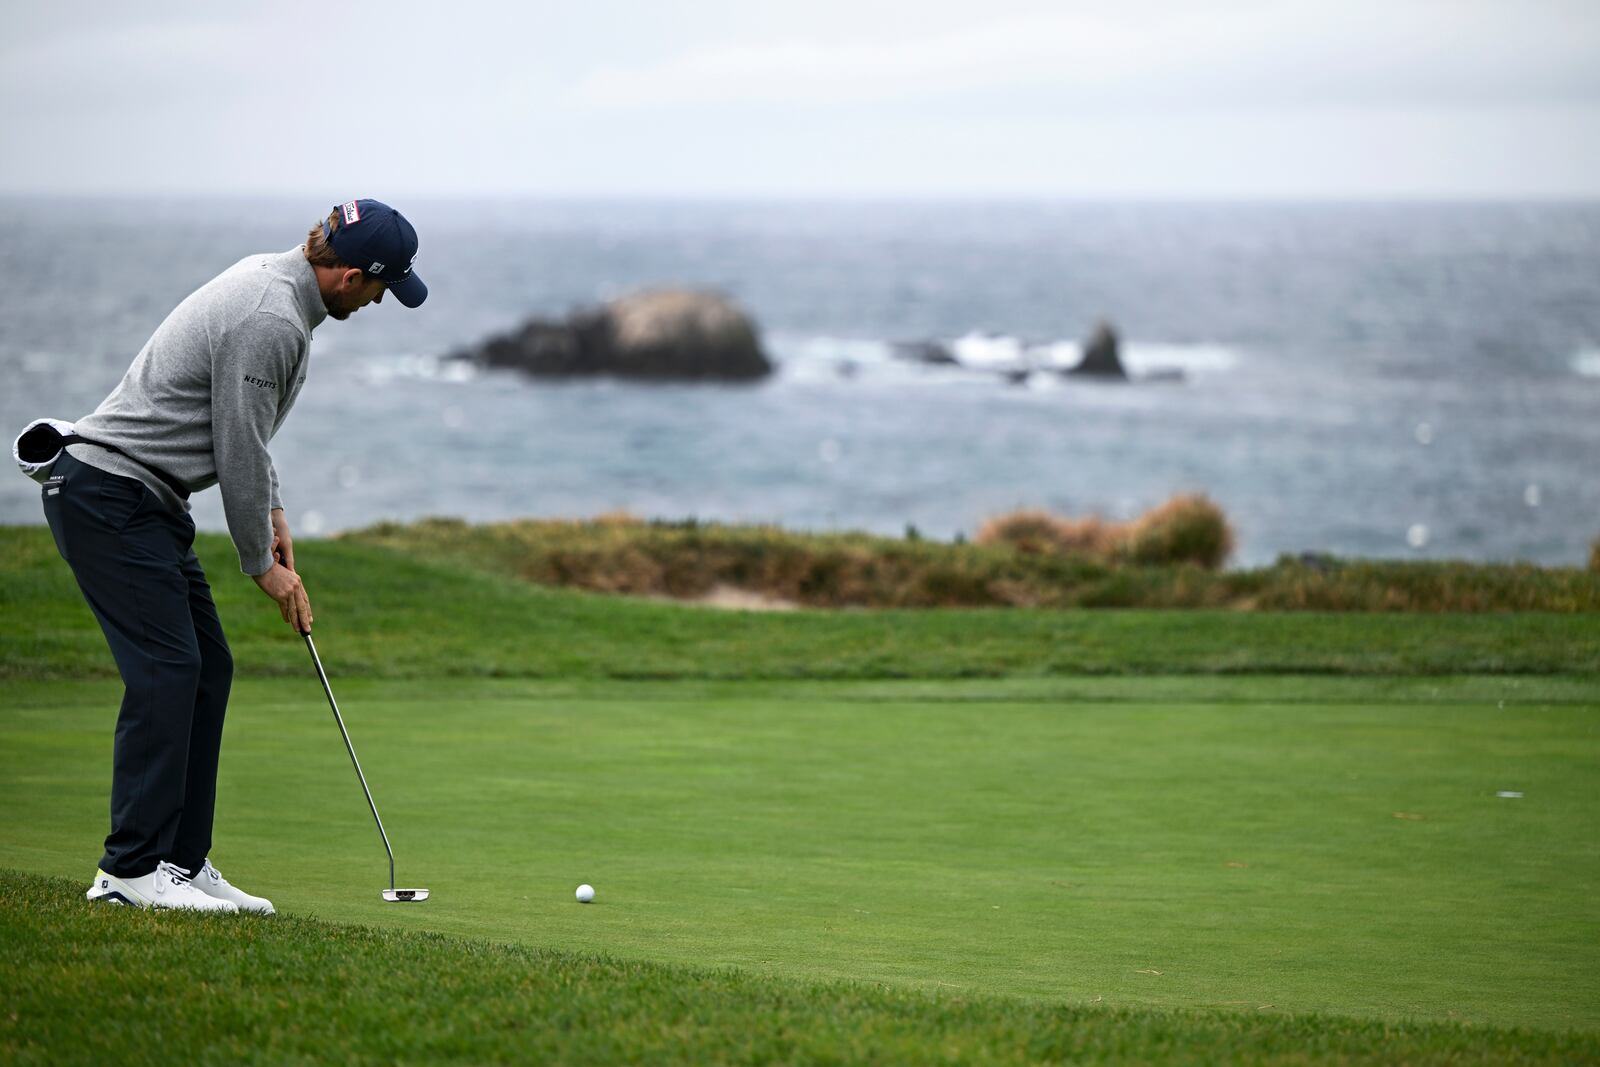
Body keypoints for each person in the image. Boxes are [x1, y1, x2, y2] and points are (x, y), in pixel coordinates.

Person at [37, 199, 427, 913]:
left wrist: (273, 512)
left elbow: (246, 432)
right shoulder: (272, 318)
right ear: (347, 275)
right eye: (381, 286)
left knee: (207, 664)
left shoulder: (276, 287)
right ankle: (129, 870)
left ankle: (180, 862)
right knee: (168, 668)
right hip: (110, 495)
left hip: (142, 500)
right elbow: (237, 444)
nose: (378, 301)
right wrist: (263, 565)